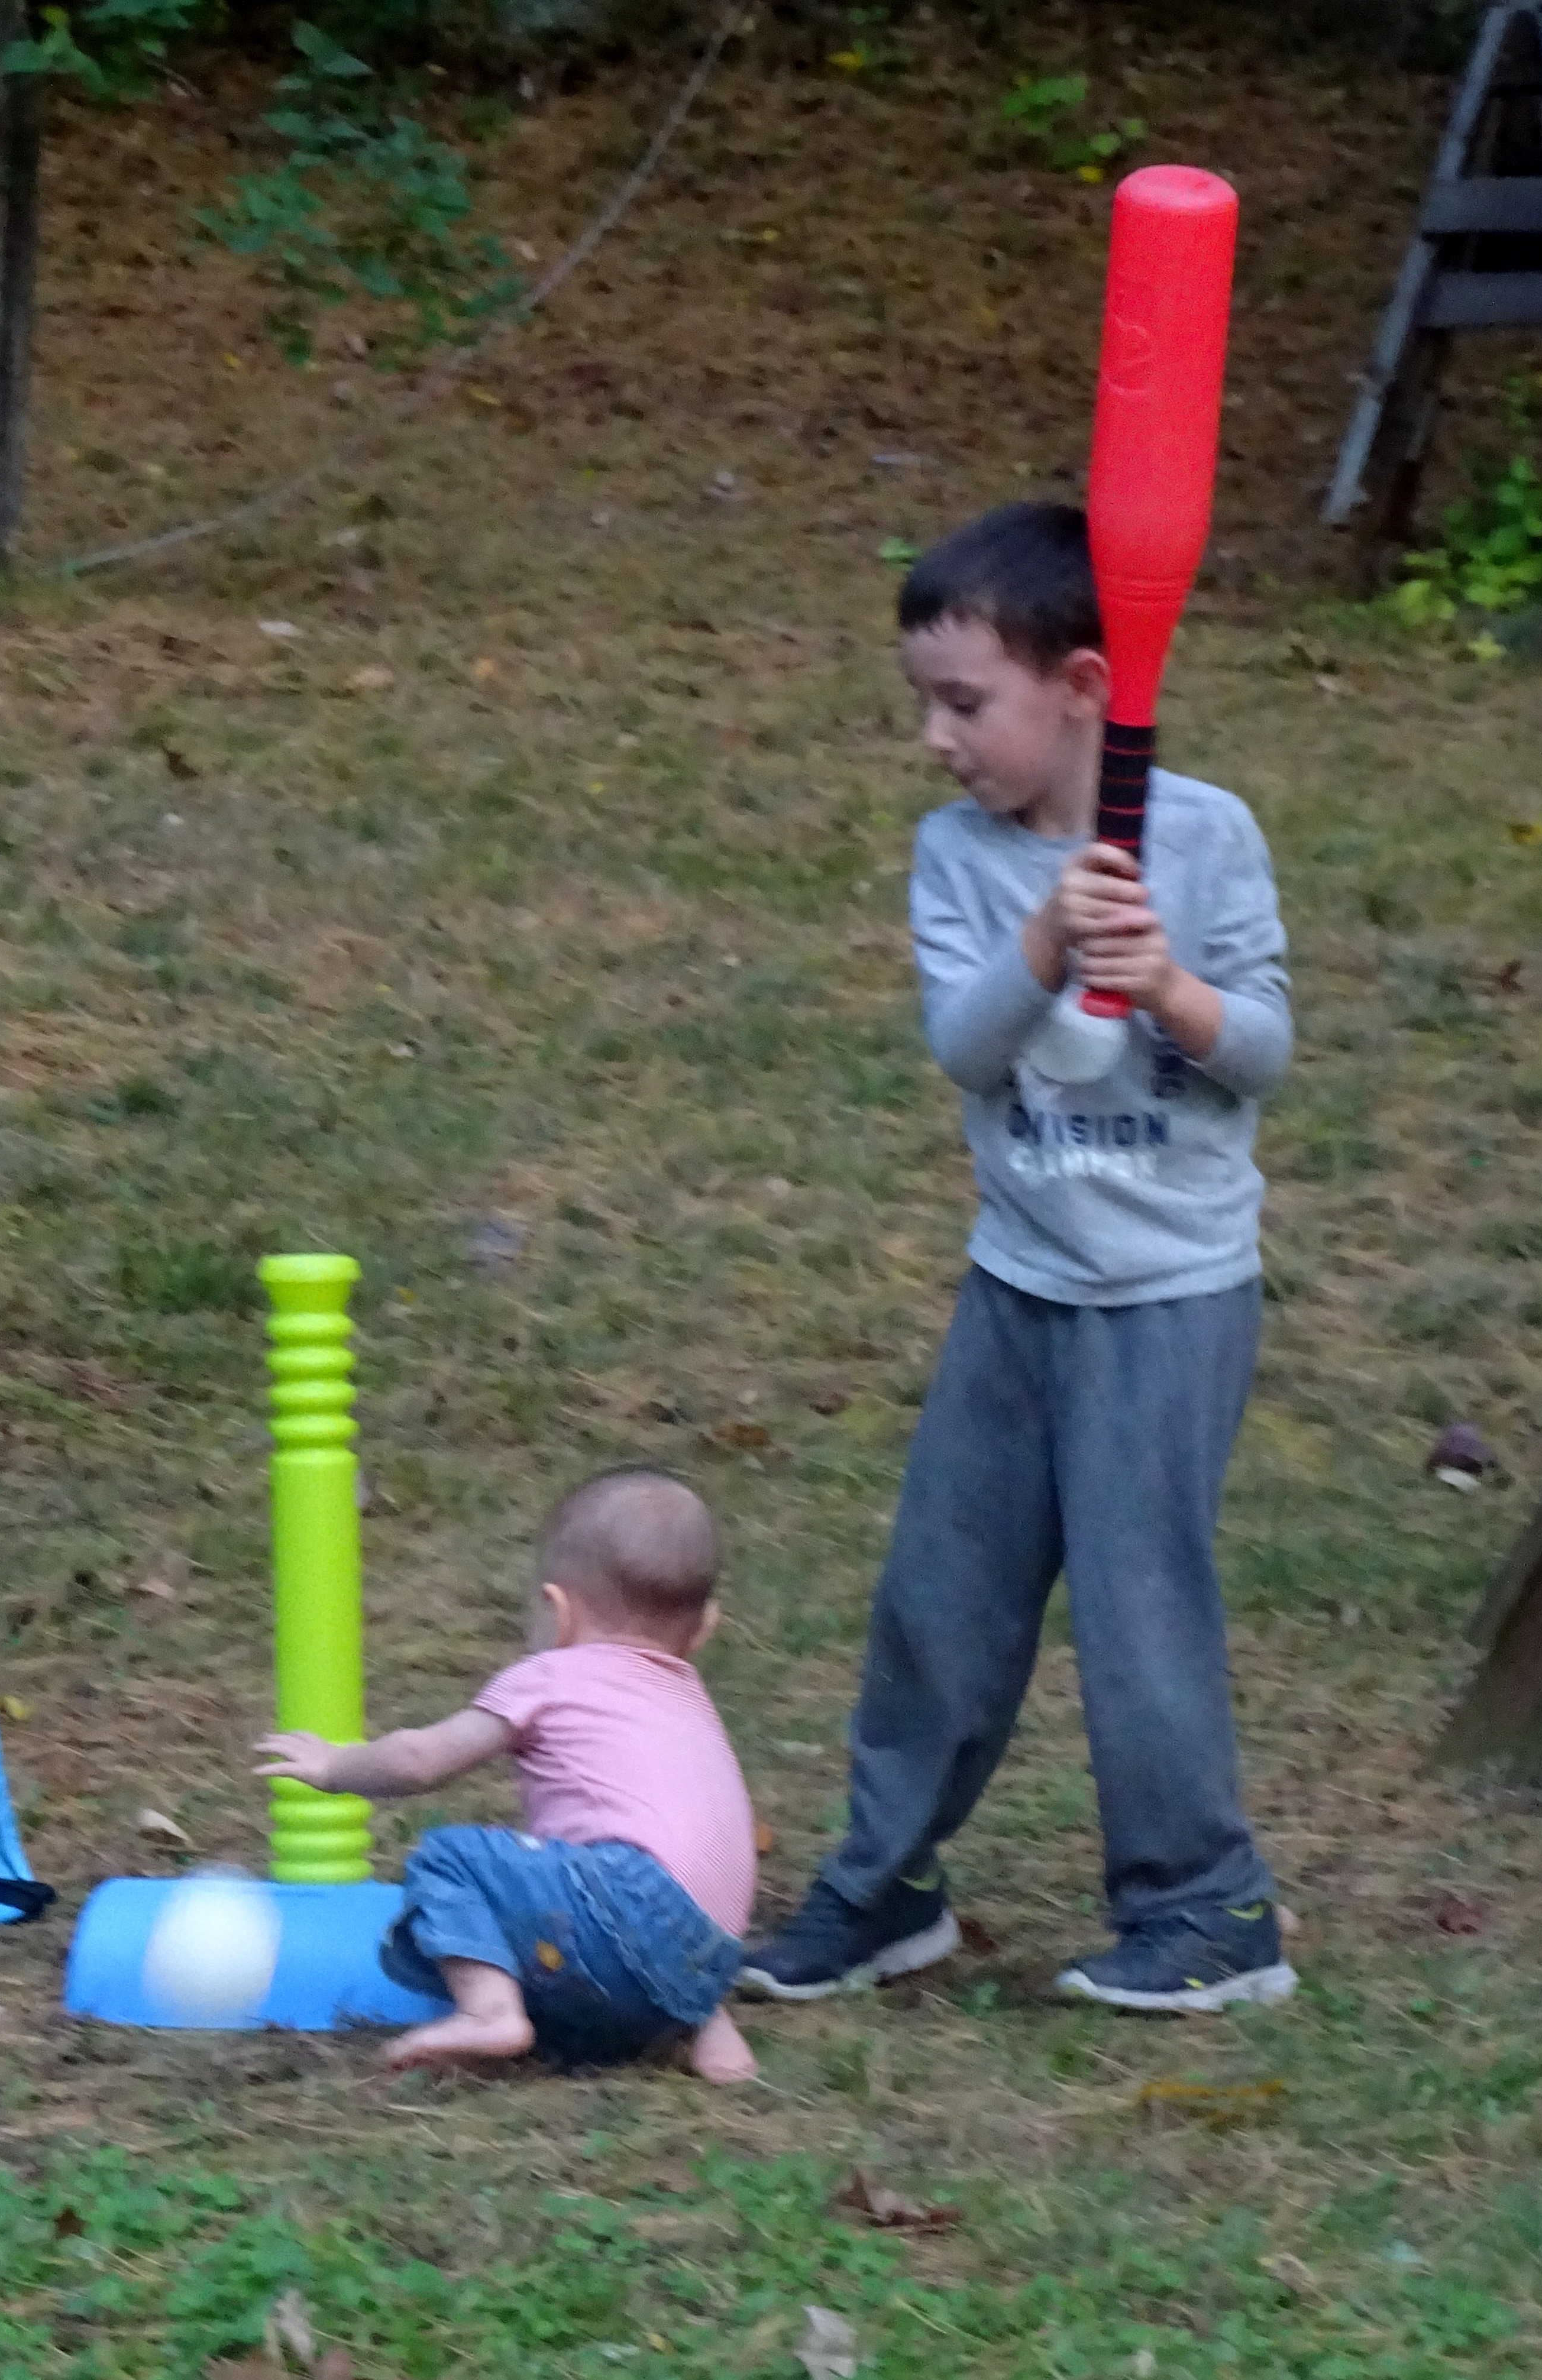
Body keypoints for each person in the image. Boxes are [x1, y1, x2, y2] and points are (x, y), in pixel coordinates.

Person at [739, 501, 1297, 2015]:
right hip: (1017, 1282)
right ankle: (881, 1889)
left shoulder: (1206, 836)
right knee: (939, 1600)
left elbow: (1259, 1049)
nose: (935, 737)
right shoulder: (956, 857)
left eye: (963, 701)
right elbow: (963, 1044)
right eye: (922, 702)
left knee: (1135, 1610)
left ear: (1080, 686)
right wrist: (1046, 941)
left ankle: (1206, 1911)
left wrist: (1166, 987)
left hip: (1168, 1295)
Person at [257, 1469, 758, 2080]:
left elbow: (420, 1759)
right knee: (661, 1888)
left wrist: (336, 1765)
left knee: (454, 1858)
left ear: (558, 1610)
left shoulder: (553, 1676)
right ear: (704, 1626)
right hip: (715, 1947)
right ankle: (710, 2034)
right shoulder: (686, 1697)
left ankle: (489, 2011)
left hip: (627, 1906)